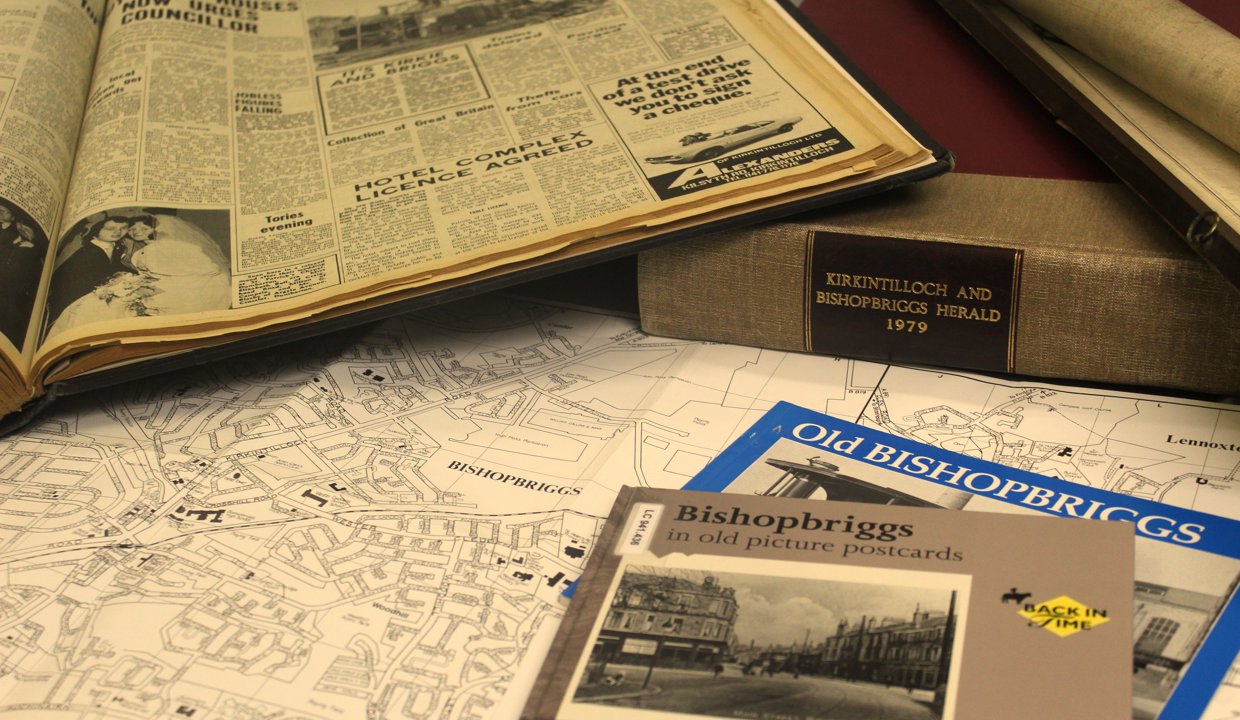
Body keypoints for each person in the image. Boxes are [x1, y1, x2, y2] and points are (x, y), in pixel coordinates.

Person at [44, 216, 136, 331]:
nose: (118, 232)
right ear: (97, 229)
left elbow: (114, 266)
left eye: (123, 228)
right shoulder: (87, 252)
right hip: (71, 298)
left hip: (93, 293)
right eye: (110, 228)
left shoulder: (114, 247)